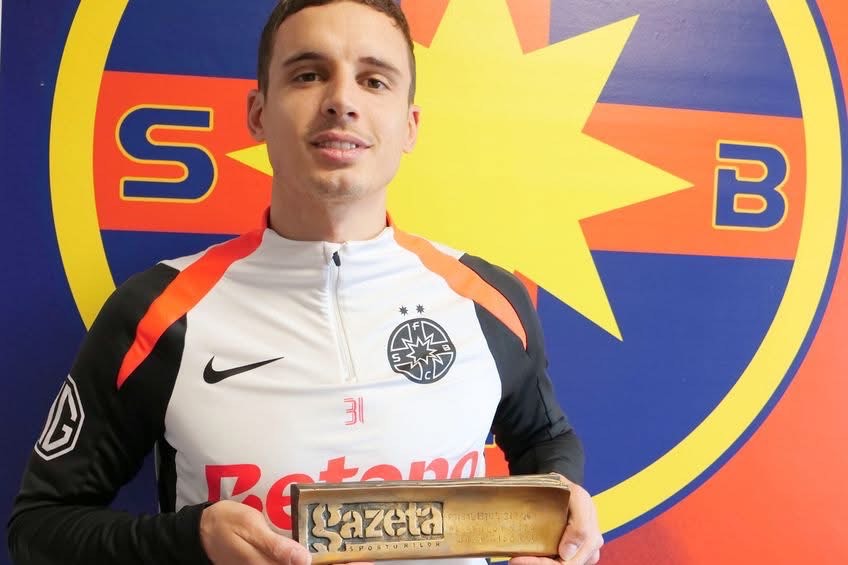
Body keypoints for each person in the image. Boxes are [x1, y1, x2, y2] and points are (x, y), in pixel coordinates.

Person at [8, 0, 603, 563]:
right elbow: (37, 528)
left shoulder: (487, 300)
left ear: (410, 125)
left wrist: (560, 506)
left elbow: (547, 437)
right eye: (308, 75)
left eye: (374, 81)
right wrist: (190, 541)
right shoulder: (158, 312)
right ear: (258, 113)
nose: (341, 100)